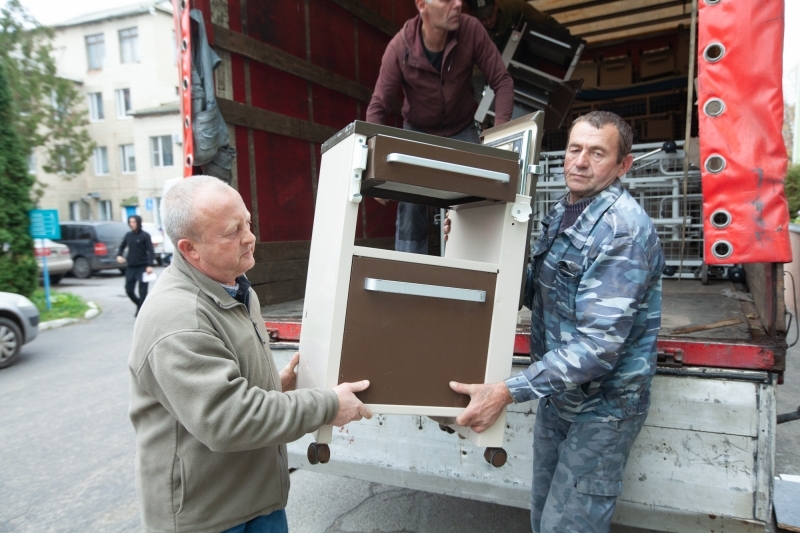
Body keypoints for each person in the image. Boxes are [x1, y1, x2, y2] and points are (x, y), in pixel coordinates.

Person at [447, 111, 665, 533]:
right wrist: (469, 245)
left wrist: (508, 391)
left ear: (623, 166)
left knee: (567, 527)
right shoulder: (566, 211)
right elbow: (535, 289)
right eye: (574, 149)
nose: (580, 161)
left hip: (602, 408)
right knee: (543, 514)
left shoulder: (622, 232)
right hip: (560, 395)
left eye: (597, 153)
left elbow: (598, 348)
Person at [128, 175, 372, 533]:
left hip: (255, 503)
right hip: (211, 519)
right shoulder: (179, 319)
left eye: (248, 222)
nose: (250, 237)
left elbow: (231, 387)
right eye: (232, 231)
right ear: (190, 249)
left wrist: (278, 386)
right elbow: (228, 420)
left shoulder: (234, 288)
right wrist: (329, 405)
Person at [366, 0, 514, 254]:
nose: (457, 5)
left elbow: (502, 82)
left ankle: (475, 265)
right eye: (446, 0)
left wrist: (500, 144)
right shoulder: (399, 47)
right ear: (422, 5)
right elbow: (378, 106)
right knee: (410, 201)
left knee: (481, 194)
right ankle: (409, 274)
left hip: (462, 127)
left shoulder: (472, 29)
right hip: (418, 130)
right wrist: (373, 168)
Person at [467, 0, 567, 51]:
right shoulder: (470, 32)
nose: (488, 22)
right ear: (473, 15)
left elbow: (545, 21)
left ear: (496, 6)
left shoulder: (514, 7)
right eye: (483, 19)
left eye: (490, 15)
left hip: (530, 51)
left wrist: (568, 41)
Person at [116, 215, 154, 316]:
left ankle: (140, 313)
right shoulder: (128, 235)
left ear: (138, 222)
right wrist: (119, 255)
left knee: (142, 292)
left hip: (143, 267)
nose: (131, 224)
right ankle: (140, 306)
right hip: (131, 266)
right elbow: (122, 246)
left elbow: (151, 251)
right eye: (130, 222)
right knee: (129, 290)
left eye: (134, 222)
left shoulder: (145, 235)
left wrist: (150, 265)